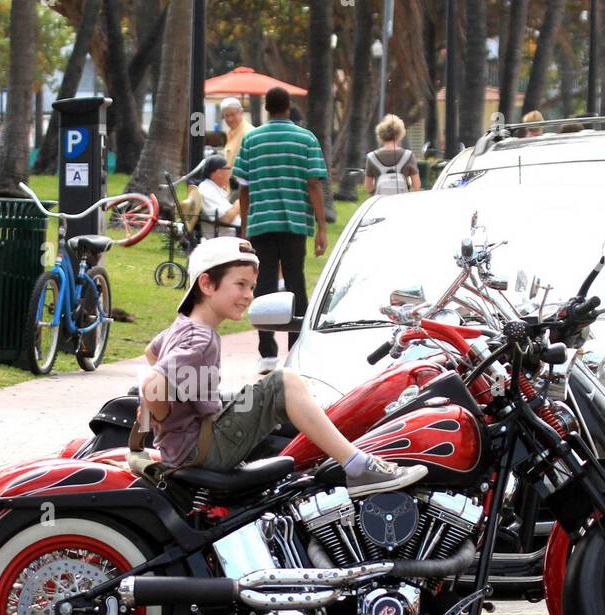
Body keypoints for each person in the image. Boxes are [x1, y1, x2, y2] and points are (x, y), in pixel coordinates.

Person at [138, 237, 425, 495]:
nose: (249, 294)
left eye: (250, 286)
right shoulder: (201, 338)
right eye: (239, 284)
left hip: (187, 445)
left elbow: (153, 352)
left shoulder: (185, 327)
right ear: (207, 284)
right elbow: (152, 384)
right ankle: (359, 466)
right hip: (201, 450)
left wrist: (175, 413)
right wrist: (157, 413)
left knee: (274, 389)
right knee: (284, 382)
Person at [232, 86, 328, 375]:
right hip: (295, 222)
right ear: (288, 107)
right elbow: (314, 184)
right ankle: (296, 348)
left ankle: (267, 353)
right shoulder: (306, 138)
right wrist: (321, 227)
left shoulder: (252, 140)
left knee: (263, 287)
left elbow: (243, 189)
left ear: (267, 109)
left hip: (261, 223)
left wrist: (245, 229)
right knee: (296, 281)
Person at [364, 114, 421, 197]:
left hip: (380, 203)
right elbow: (416, 186)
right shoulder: (409, 156)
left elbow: (368, 188)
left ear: (380, 135)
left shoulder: (371, 157)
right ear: (399, 134)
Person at [196, 155, 241, 237]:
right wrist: (240, 203)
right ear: (218, 172)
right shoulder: (206, 189)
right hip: (228, 236)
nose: (231, 172)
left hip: (234, 232)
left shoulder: (215, 189)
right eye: (228, 168)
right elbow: (225, 219)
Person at [221, 97, 255, 169]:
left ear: (241, 112)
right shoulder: (231, 132)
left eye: (233, 114)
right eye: (226, 116)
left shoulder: (248, 133)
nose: (230, 119)